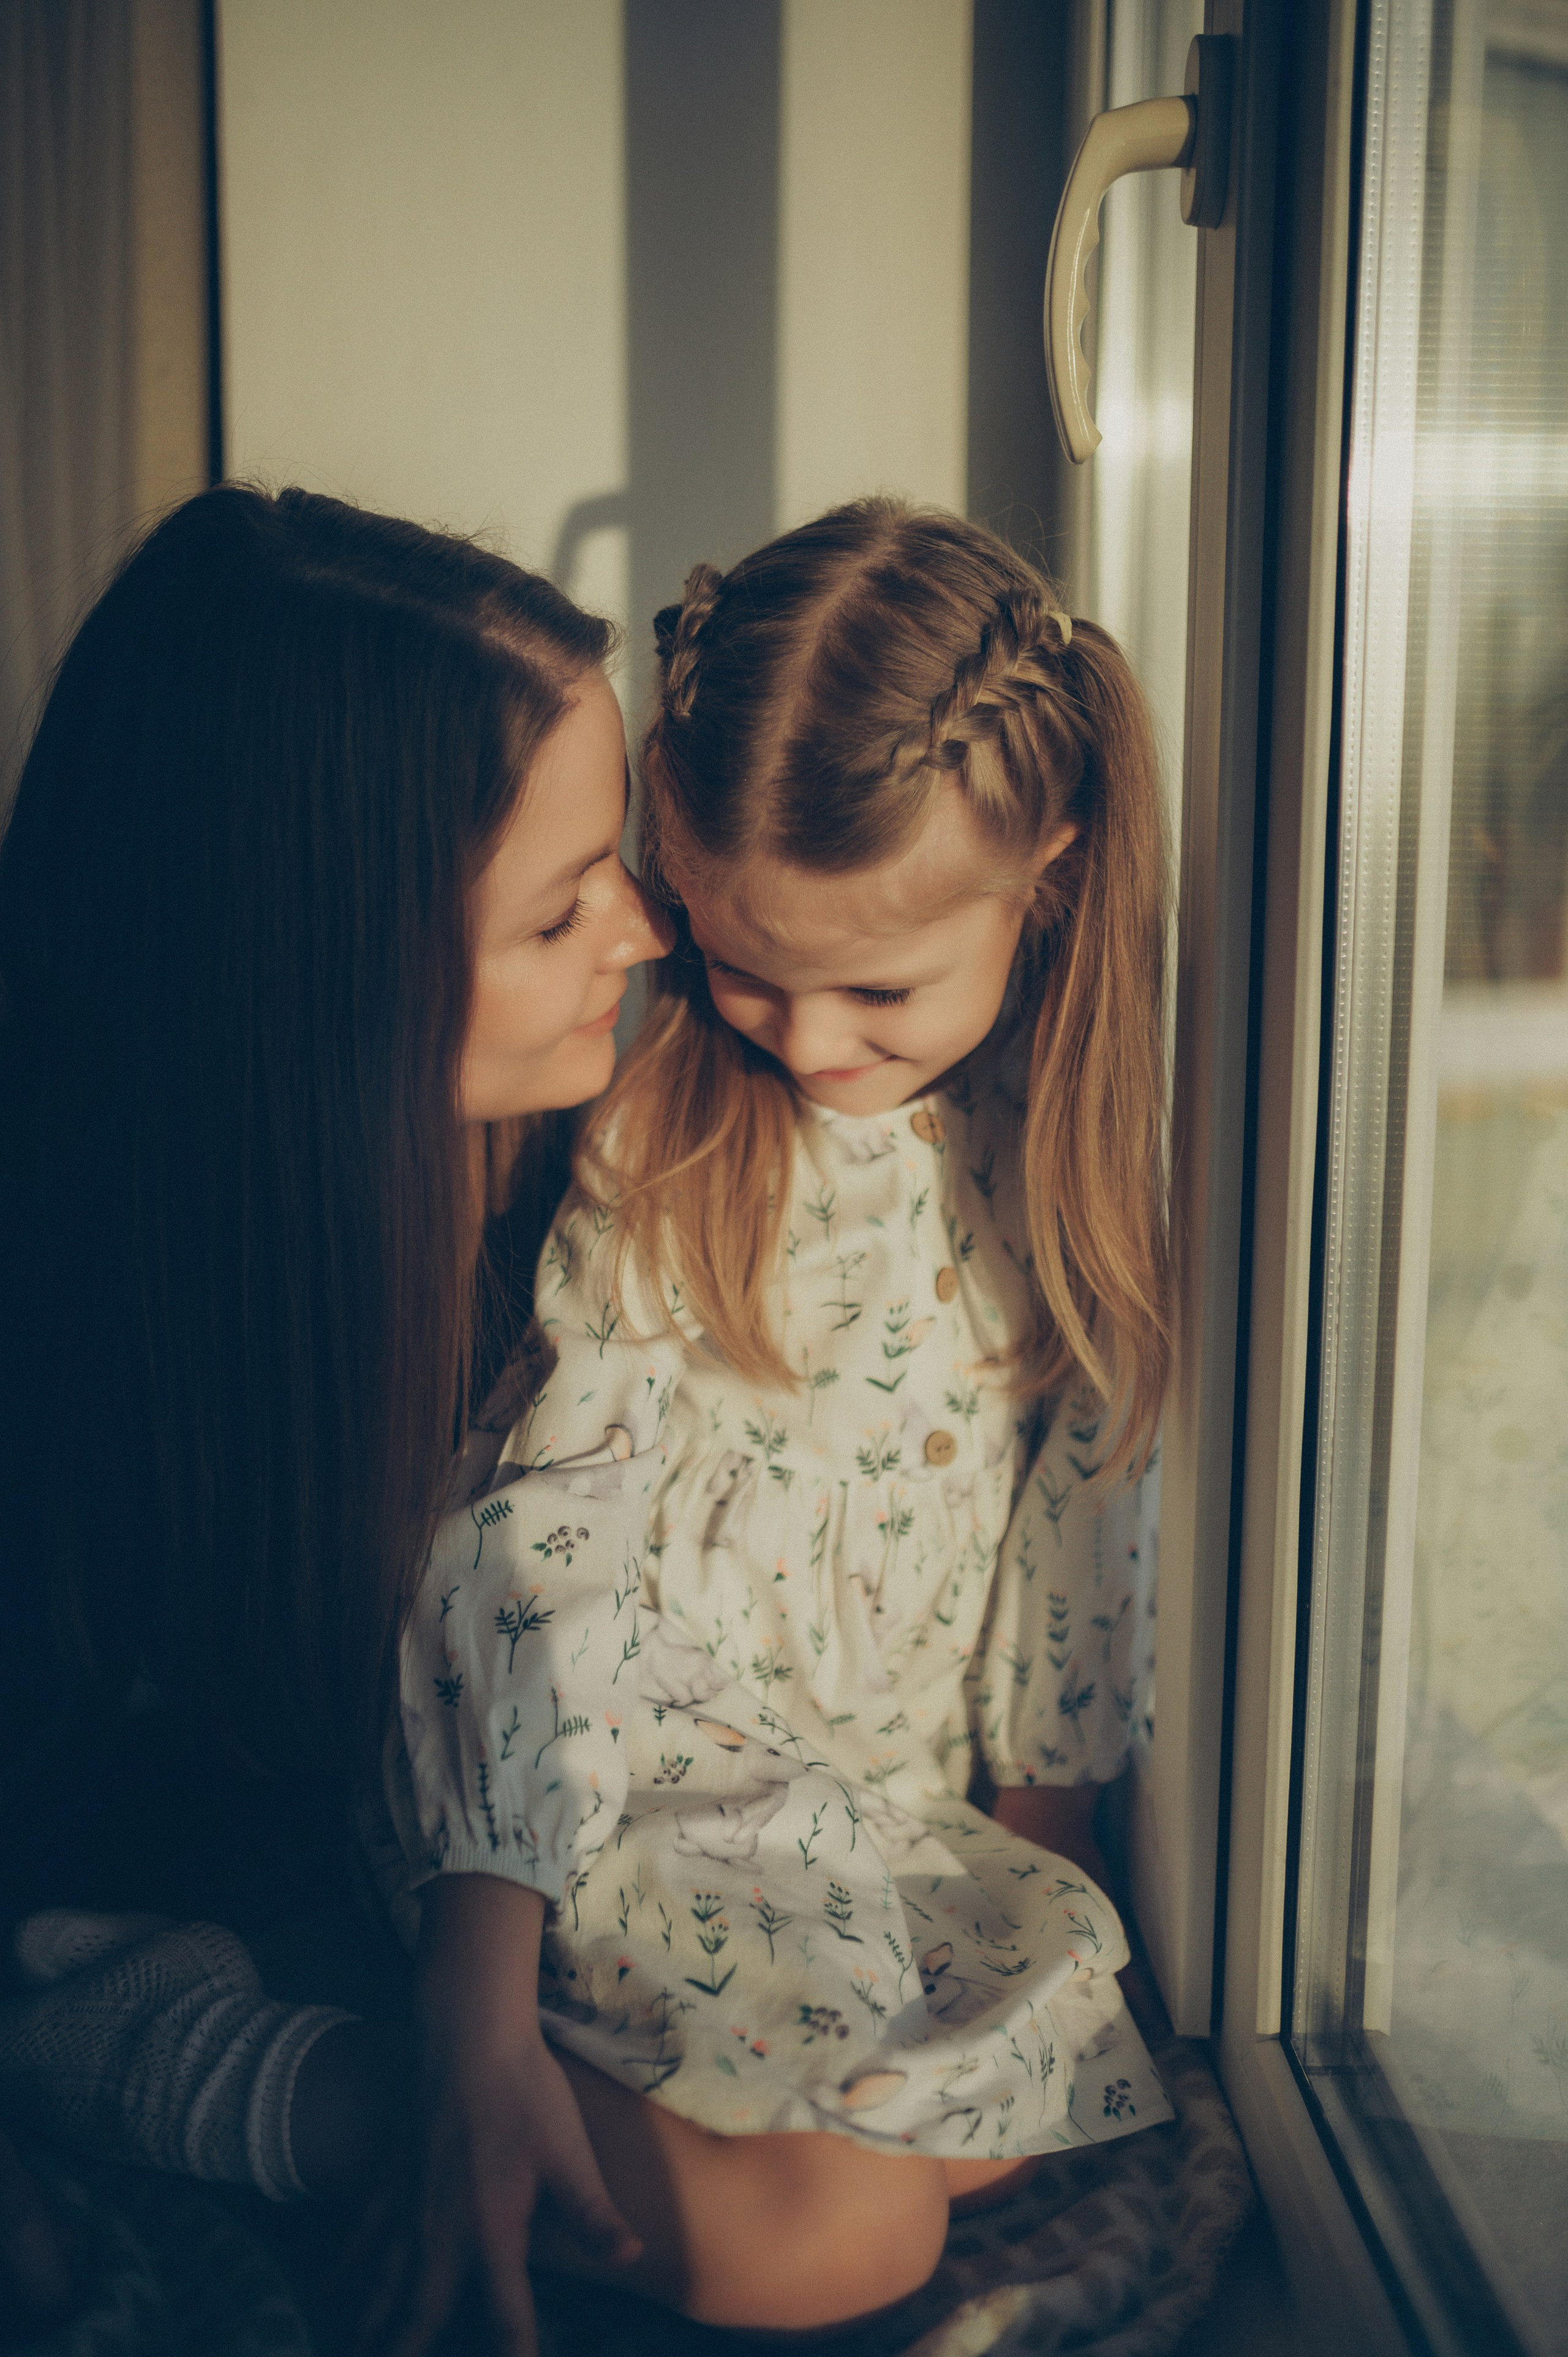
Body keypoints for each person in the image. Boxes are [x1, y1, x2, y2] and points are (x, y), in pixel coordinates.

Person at [388, 499, 1174, 2346]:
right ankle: (313, 2081)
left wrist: (1035, 1912)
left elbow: (1075, 1545)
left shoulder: (1068, 1161)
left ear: (1045, 873)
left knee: (996, 2135)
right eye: (747, 968)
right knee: (844, 2241)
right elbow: (539, 1539)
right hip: (619, 1798)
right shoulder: (675, 1135)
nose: (807, 1041)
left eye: (875, 987)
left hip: (867, 1831)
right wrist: (473, 2003)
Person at [0, 485, 668, 2331]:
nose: (641, 932)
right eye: (560, 910)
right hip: (188, 1993)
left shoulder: (581, 1206)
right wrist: (365, 2099)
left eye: (619, 862)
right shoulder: (68, 1373)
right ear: (336, 988)